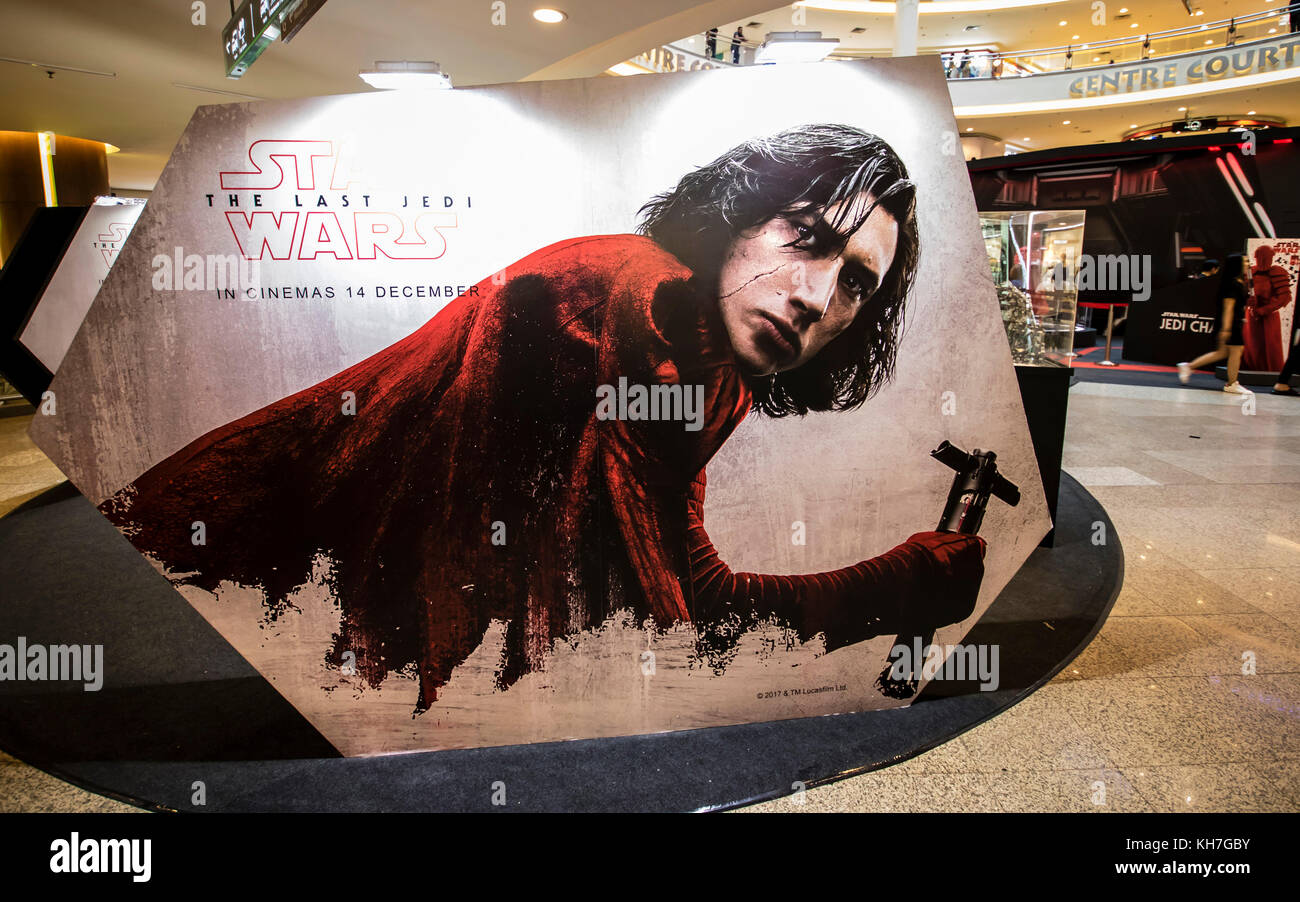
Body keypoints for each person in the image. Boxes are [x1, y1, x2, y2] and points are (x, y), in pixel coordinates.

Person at [101, 125, 986, 712]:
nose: (818, 295)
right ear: (737, 219)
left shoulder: (705, 370)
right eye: (807, 237)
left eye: (858, 284)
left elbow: (681, 590)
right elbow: (654, 636)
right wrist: (892, 589)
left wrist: (895, 579)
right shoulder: (620, 302)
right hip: (240, 592)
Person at [1177, 253, 1253, 394]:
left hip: (1230, 322)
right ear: (1237, 264)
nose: (1248, 264)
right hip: (1231, 324)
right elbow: (1228, 306)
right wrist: (1226, 328)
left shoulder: (1235, 282)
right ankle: (1232, 383)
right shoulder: (1233, 284)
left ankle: (1189, 366)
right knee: (1236, 351)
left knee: (1222, 352)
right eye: (1246, 261)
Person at [1243, 244, 1293, 372]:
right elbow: (1243, 293)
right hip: (1251, 315)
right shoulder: (1251, 272)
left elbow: (1284, 298)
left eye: (1265, 257)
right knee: (1252, 345)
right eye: (1259, 257)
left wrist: (1263, 310)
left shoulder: (1277, 272)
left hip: (1269, 316)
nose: (1262, 261)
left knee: (1270, 347)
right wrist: (1248, 300)